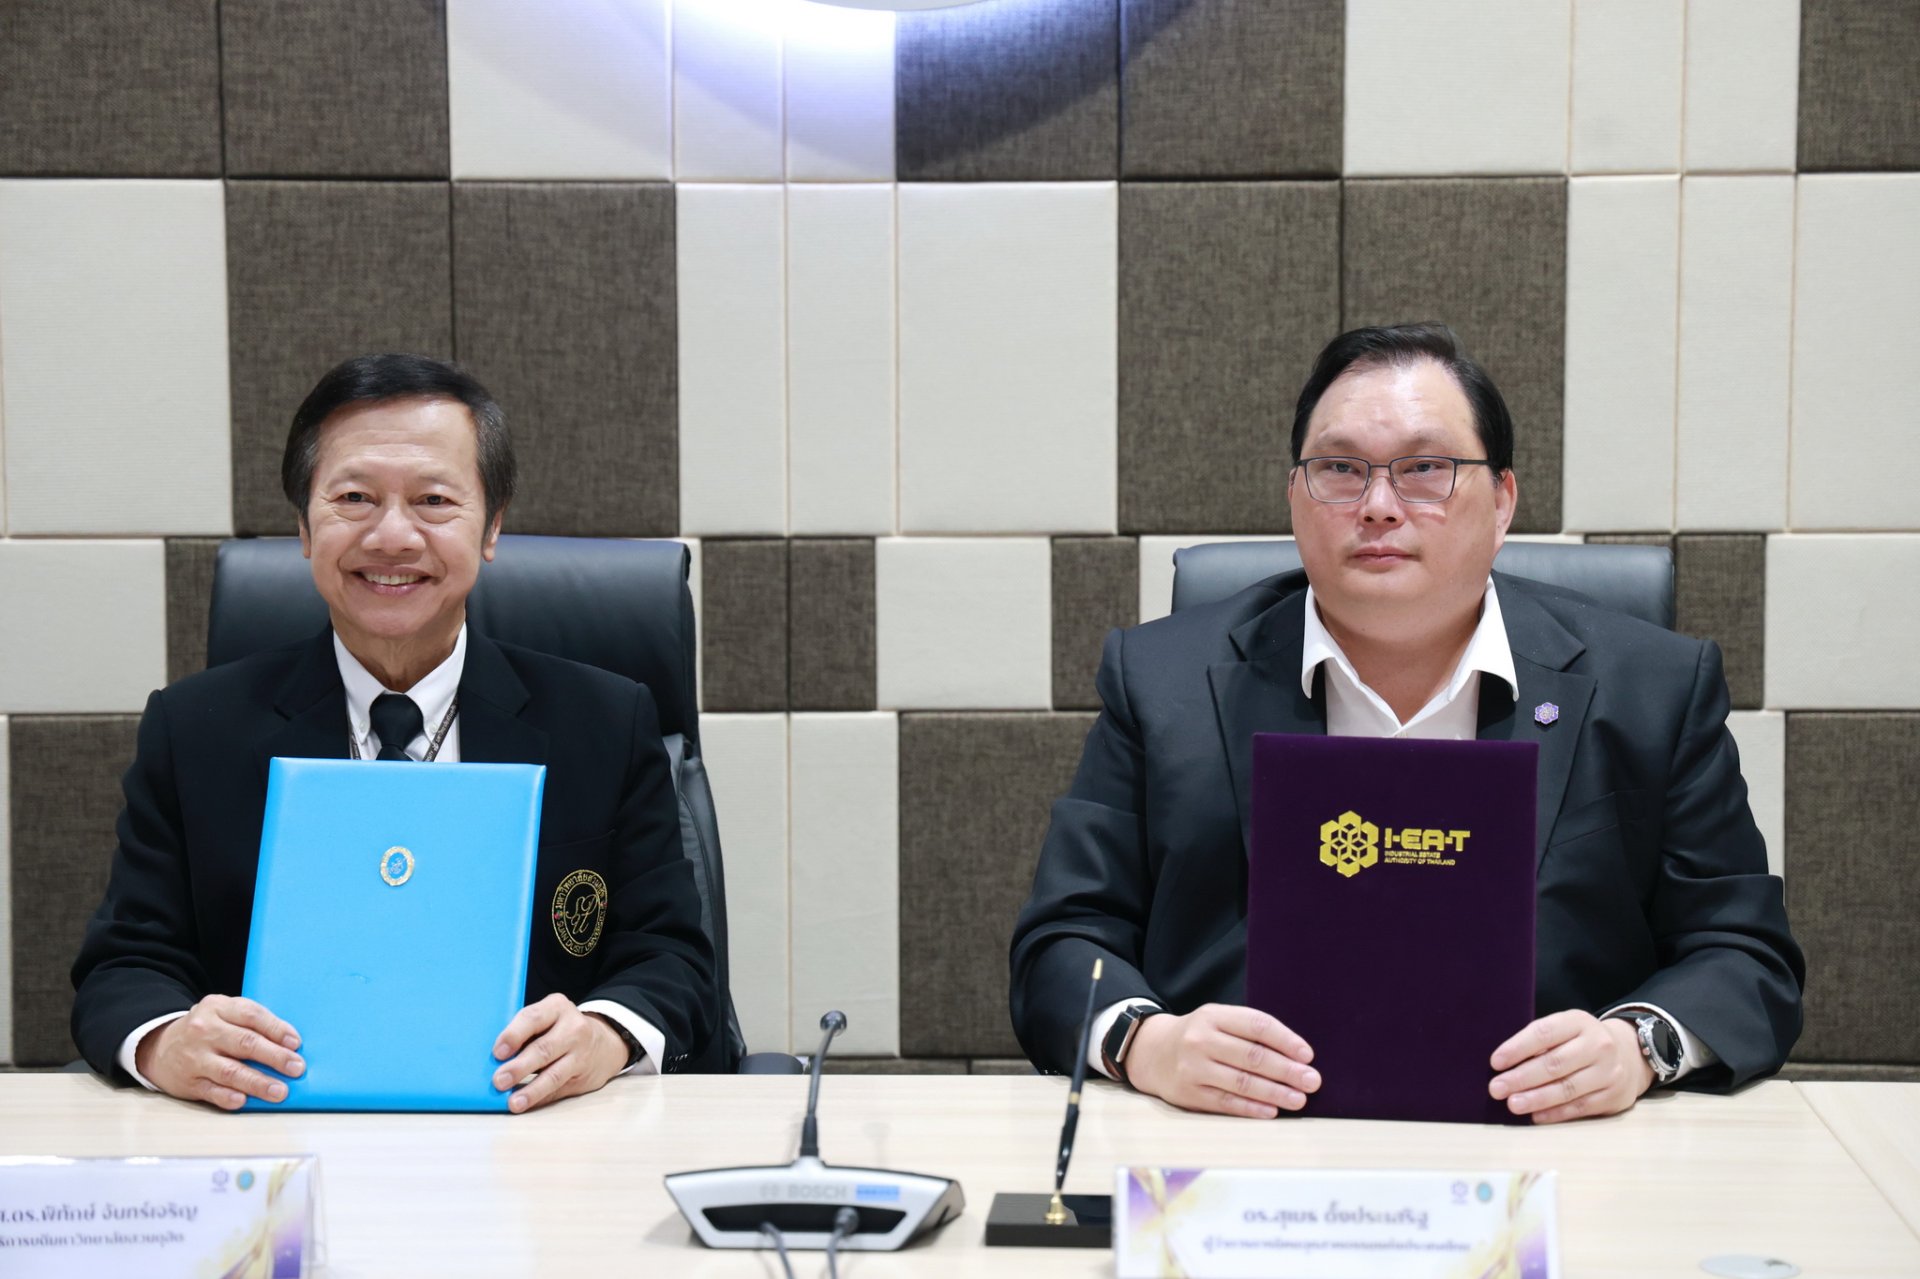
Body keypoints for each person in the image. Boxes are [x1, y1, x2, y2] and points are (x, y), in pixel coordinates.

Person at [1009, 324, 1803, 1124]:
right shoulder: (1161, 681)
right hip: (1236, 1143)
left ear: (1502, 502)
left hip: (1554, 1146)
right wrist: (1148, 1044)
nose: (1379, 506)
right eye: (1340, 469)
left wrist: (1636, 1048)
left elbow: (1746, 955)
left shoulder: (1651, 690)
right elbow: (1062, 942)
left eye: (1425, 469)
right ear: (1295, 498)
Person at [70, 353, 716, 1112]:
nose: (392, 536)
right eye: (354, 498)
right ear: (304, 526)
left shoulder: (604, 722)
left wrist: (604, 1035)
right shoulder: (193, 730)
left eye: (434, 500)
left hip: (532, 1131)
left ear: (492, 526)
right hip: (272, 1126)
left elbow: (672, 957)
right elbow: (123, 967)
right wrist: (165, 1041)